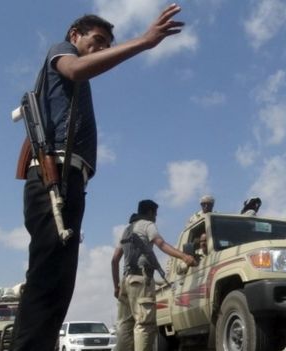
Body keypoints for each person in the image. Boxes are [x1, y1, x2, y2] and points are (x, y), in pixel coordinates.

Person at [13, 6, 185, 351]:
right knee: (47, 279)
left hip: (71, 180)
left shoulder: (79, 82)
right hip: (54, 176)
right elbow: (75, 69)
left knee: (60, 284)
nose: (101, 49)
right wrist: (144, 42)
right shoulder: (61, 52)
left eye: (106, 45)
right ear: (74, 35)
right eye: (97, 41)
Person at [111, 200, 196, 351]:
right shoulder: (147, 225)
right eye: (155, 214)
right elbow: (161, 244)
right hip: (141, 281)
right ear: (150, 212)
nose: (156, 217)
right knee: (145, 325)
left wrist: (116, 287)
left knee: (125, 326)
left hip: (126, 282)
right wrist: (184, 257)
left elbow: (115, 259)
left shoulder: (127, 230)